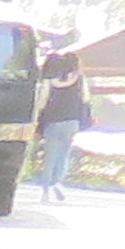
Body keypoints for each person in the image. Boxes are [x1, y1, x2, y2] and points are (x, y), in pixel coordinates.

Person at [38, 51, 90, 204]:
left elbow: (42, 102)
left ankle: (45, 189)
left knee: (50, 155)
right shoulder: (80, 79)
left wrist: (38, 120)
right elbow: (86, 99)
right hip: (72, 122)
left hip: (52, 121)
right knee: (63, 154)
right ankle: (57, 181)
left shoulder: (49, 81)